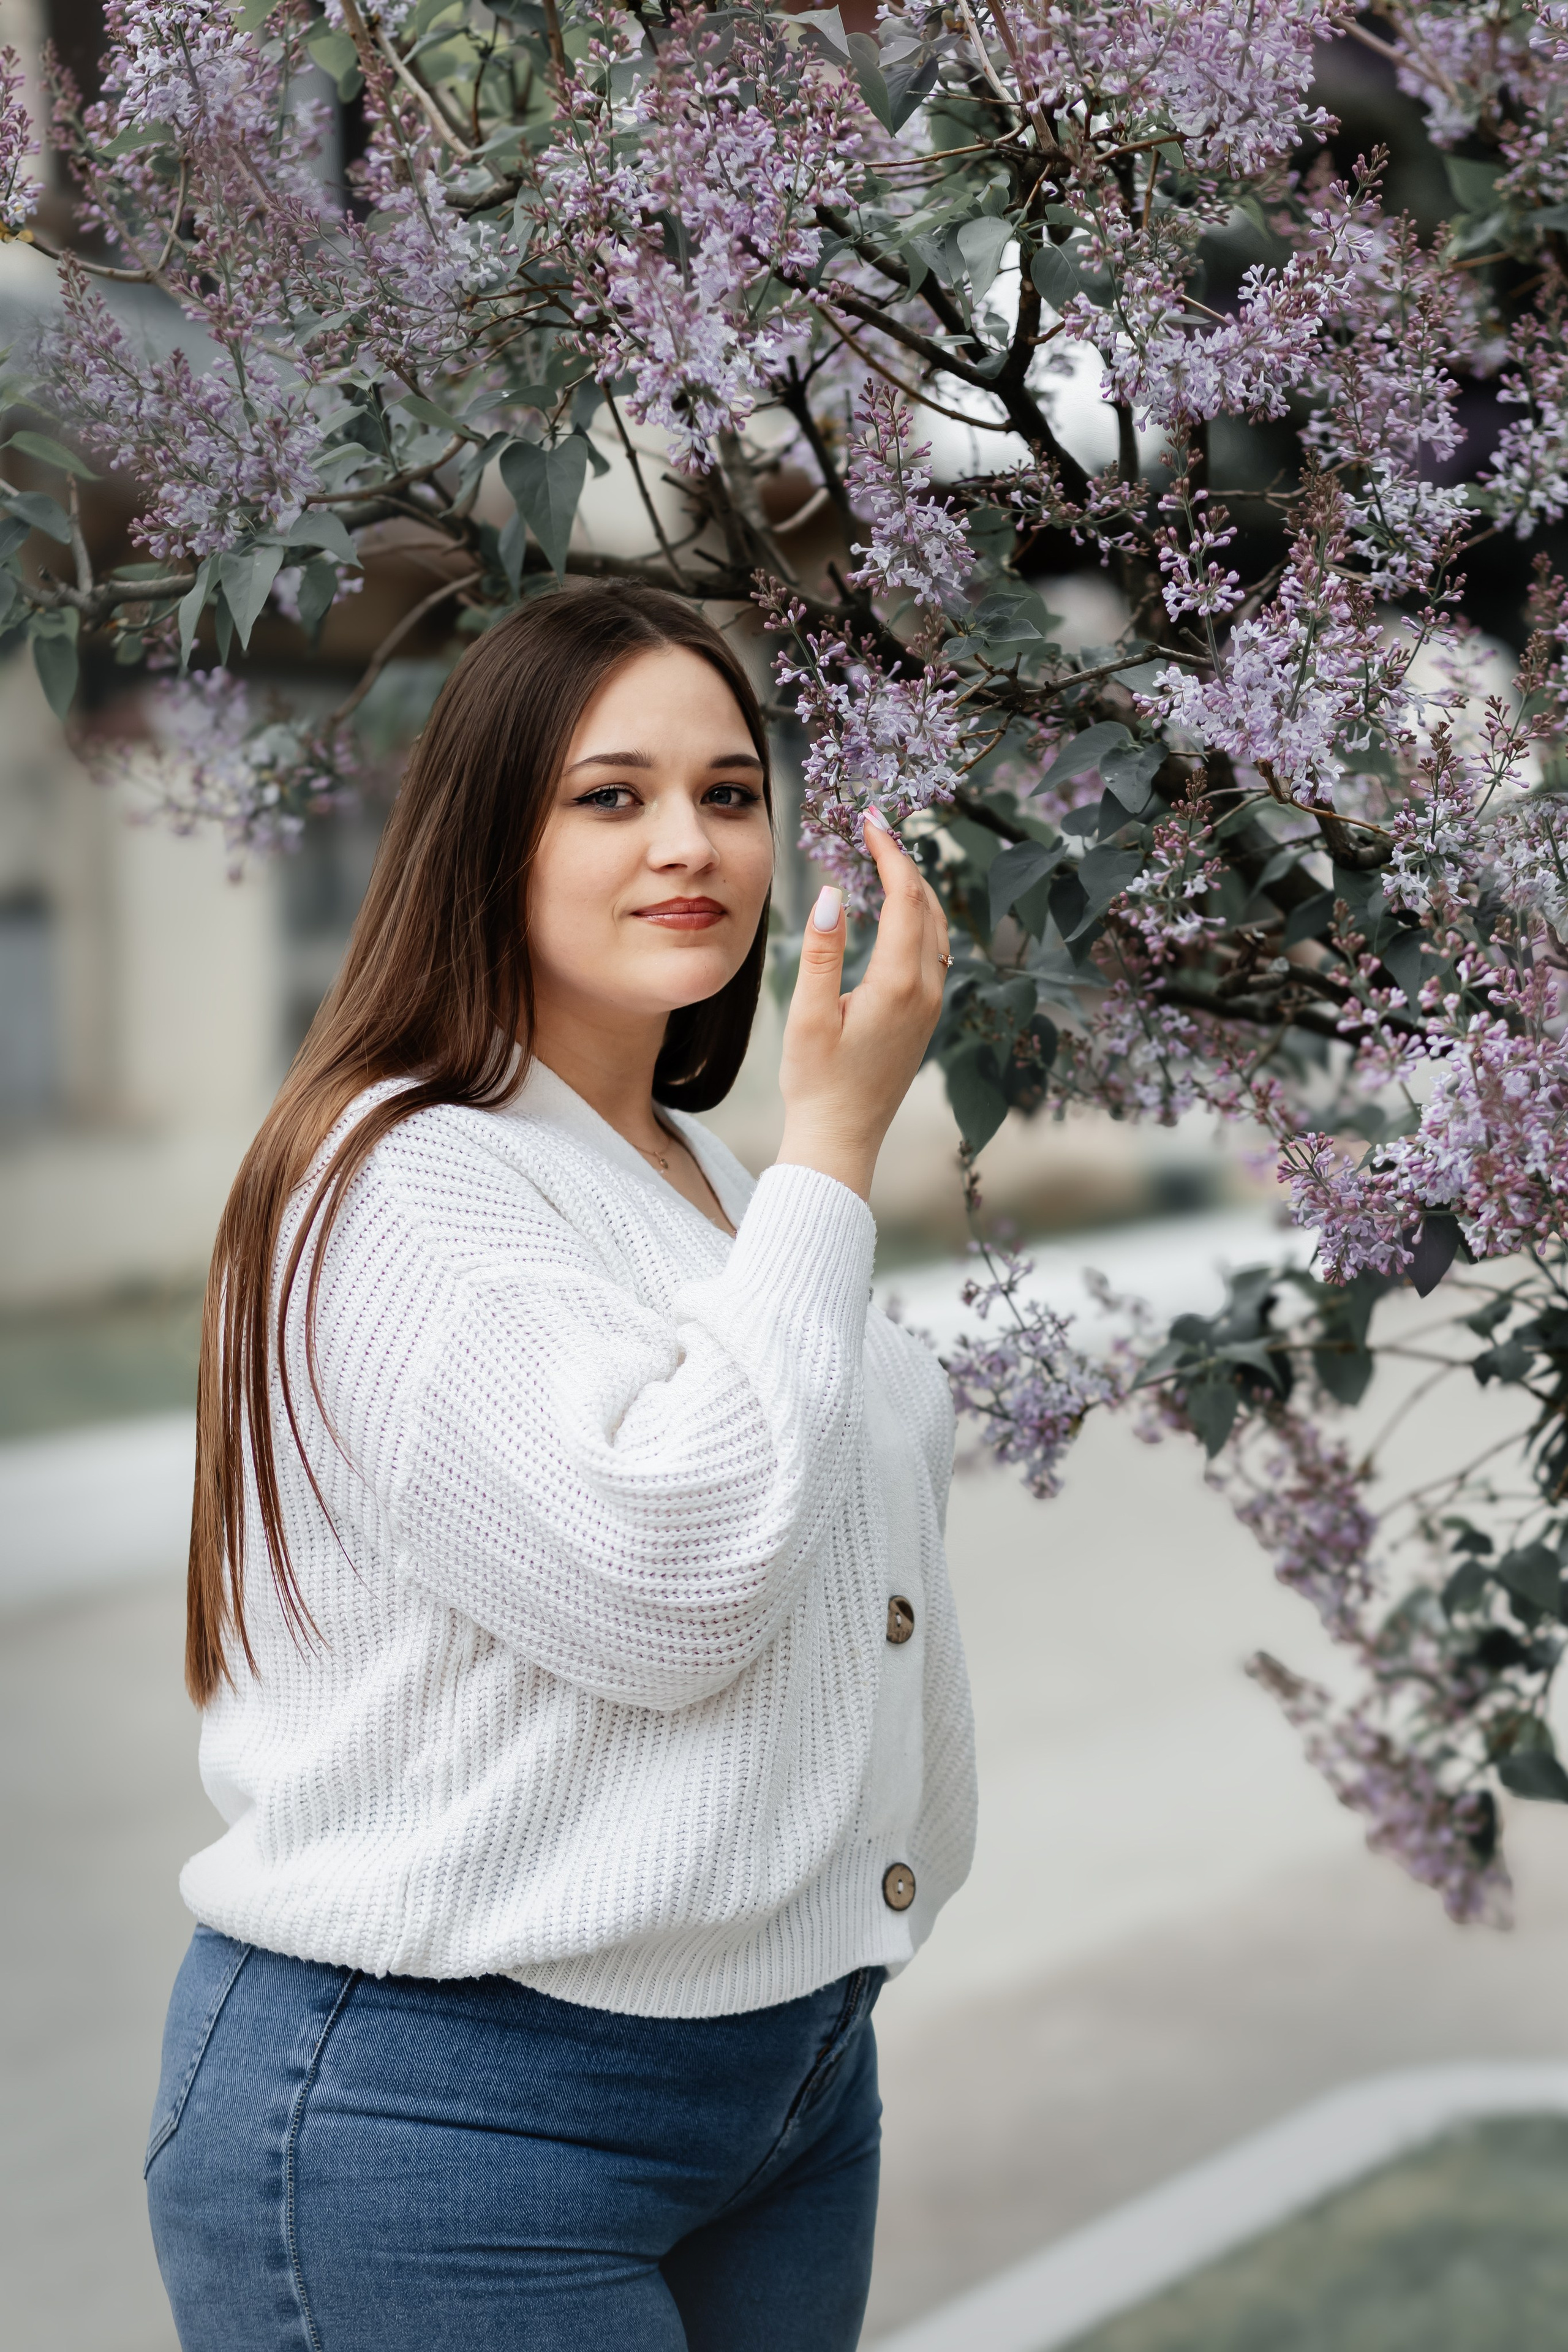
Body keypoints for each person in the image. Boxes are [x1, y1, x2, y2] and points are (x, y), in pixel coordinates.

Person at [145, 582, 977, 2351]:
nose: (691, 843)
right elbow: (667, 1584)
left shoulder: (700, 1177)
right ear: (485, 837)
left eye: (732, 793)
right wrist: (839, 1139)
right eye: (612, 796)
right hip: (446, 2106)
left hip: (785, 2077)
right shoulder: (393, 1179)